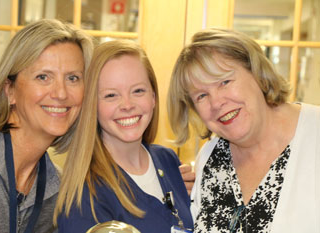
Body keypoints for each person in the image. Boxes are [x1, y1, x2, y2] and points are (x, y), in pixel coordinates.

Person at [167, 28, 320, 233]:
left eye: (225, 82)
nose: (217, 102)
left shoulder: (314, 132)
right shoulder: (211, 157)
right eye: (201, 96)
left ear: (256, 73)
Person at [55, 40, 194, 233]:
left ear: (153, 97)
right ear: (92, 105)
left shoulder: (168, 161)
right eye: (111, 95)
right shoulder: (85, 197)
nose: (127, 105)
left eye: (138, 91)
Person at [0, 19, 93, 233]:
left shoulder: (59, 190)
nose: (61, 93)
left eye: (73, 78)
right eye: (43, 77)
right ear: (9, 90)